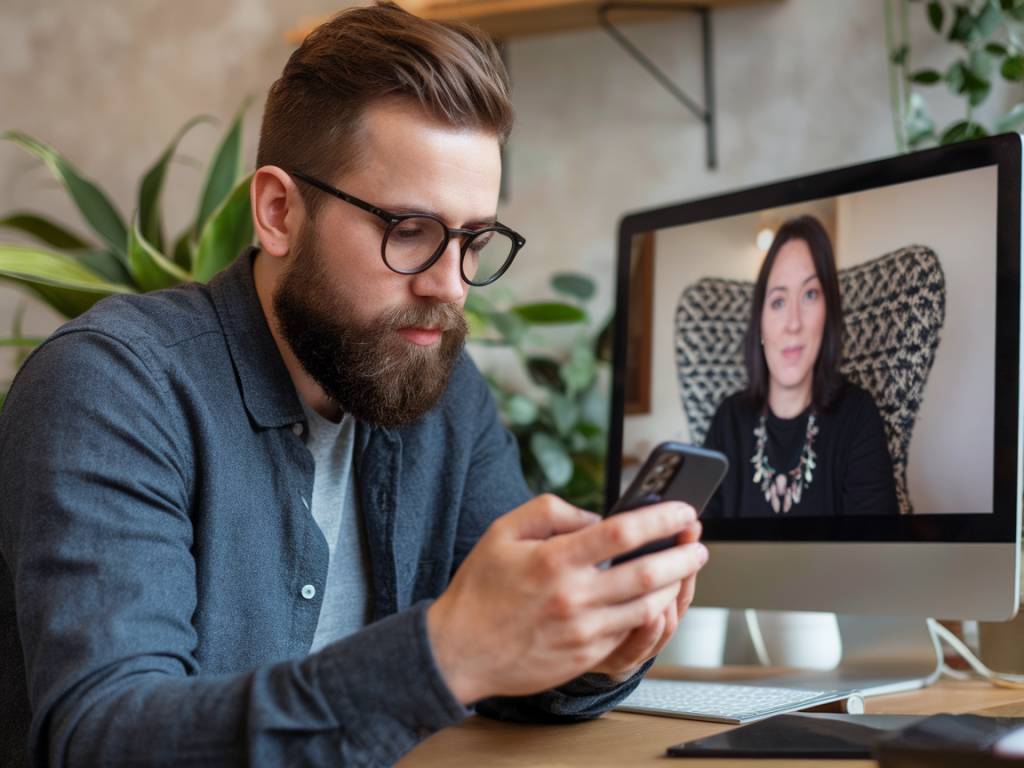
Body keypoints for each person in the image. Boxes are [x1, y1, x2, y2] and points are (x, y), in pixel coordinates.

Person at [0, 4, 709, 766]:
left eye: (474, 240)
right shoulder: (113, 386)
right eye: (409, 230)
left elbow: (507, 662)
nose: (451, 286)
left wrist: (593, 652)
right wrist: (444, 652)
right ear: (278, 212)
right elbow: (108, 739)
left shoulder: (438, 385)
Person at [702, 215, 899, 518]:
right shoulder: (727, 421)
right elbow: (696, 549)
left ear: (828, 314)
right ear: (760, 325)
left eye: (810, 294)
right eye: (778, 301)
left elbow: (876, 558)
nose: (793, 323)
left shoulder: (858, 416)